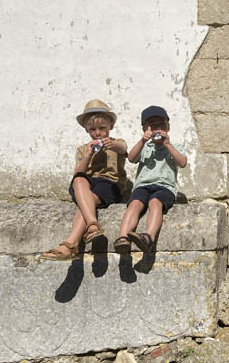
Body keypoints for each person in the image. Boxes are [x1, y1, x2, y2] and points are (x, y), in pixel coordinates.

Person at [41, 99, 128, 260]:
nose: (98, 133)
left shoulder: (116, 143)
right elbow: (77, 174)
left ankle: (71, 243)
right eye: (92, 129)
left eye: (102, 128)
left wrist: (112, 145)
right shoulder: (83, 149)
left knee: (85, 203)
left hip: (109, 184)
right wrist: (88, 154)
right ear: (86, 130)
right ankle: (92, 225)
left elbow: (123, 149)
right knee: (79, 180)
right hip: (87, 186)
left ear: (111, 126)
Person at [115, 105, 187, 253]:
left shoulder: (174, 146)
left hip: (165, 187)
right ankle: (123, 238)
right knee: (134, 204)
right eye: (153, 126)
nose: (158, 129)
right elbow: (131, 158)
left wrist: (167, 145)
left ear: (168, 126)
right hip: (142, 186)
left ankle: (148, 237)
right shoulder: (145, 147)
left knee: (155, 202)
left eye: (161, 125)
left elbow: (182, 162)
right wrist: (142, 141)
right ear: (145, 129)